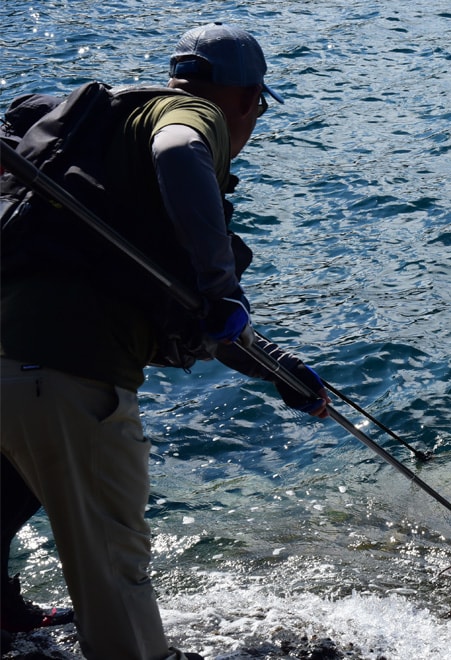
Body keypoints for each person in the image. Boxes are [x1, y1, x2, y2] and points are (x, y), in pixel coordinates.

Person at [0, 23, 330, 659]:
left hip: (10, 366)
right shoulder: (189, 115)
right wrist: (222, 285)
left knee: (23, 476)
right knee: (114, 571)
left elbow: (183, 309)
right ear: (242, 99)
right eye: (258, 107)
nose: (252, 123)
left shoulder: (98, 145)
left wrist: (280, 369)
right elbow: (180, 153)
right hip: (69, 375)